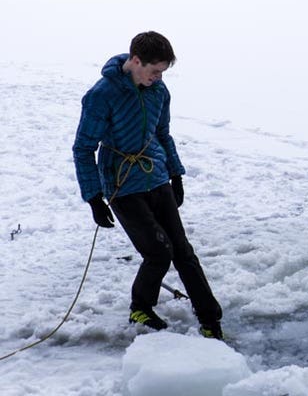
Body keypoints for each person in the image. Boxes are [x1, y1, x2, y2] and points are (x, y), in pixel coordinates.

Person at [72, 31, 223, 339]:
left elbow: (163, 134)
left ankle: (210, 319)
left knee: (182, 251)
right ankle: (140, 307)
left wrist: (176, 174)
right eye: (154, 71)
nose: (158, 77)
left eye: (163, 72)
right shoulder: (102, 95)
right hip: (122, 184)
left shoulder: (159, 91)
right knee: (158, 252)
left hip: (155, 175)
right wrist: (93, 198)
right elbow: (83, 148)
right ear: (136, 61)